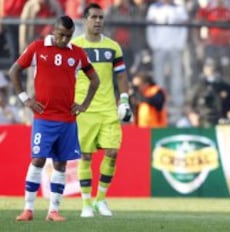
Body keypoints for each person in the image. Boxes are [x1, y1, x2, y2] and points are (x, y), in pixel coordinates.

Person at [9, 15, 100, 221]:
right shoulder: (37, 47)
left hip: (67, 120)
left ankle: (53, 211)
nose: (64, 40)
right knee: (38, 159)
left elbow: (95, 79)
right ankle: (28, 209)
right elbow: (15, 71)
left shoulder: (77, 53)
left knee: (61, 164)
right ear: (53, 31)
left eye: (68, 36)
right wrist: (26, 99)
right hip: (44, 117)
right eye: (61, 35)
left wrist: (84, 104)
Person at [72, 3, 132, 218]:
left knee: (112, 153)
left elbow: (122, 76)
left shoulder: (113, 47)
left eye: (101, 17)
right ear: (84, 19)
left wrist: (124, 101)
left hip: (108, 108)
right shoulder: (74, 46)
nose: (98, 21)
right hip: (84, 109)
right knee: (86, 156)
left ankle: (101, 200)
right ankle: (86, 204)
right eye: (94, 17)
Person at [182, 59, 230, 127]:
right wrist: (192, 115)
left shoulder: (227, 88)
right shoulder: (198, 88)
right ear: (204, 70)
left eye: (213, 68)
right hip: (201, 123)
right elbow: (188, 105)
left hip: (222, 123)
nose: (211, 71)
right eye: (208, 68)